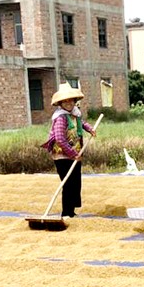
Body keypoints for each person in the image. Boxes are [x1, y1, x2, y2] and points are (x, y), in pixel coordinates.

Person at [41, 83, 96, 218]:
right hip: (63, 156)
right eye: (65, 101)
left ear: (74, 101)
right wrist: (73, 154)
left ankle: (71, 212)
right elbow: (60, 138)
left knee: (75, 182)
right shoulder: (60, 117)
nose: (68, 103)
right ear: (60, 103)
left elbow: (81, 123)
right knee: (68, 183)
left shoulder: (75, 114)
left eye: (70, 100)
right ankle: (66, 213)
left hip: (75, 153)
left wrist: (90, 129)